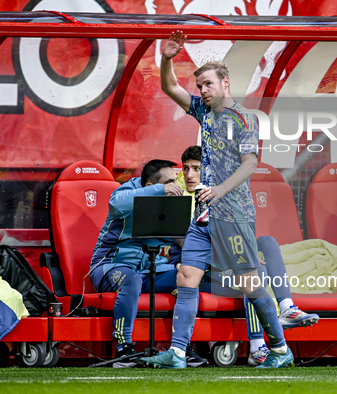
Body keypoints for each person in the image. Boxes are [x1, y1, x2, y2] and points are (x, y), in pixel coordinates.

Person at [141, 31, 293, 369]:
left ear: (225, 83)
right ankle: (178, 353)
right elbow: (169, 88)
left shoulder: (245, 119)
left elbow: (251, 162)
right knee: (186, 277)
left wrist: (221, 189)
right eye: (200, 87)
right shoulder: (203, 113)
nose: (203, 91)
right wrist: (167, 58)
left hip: (234, 214)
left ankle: (281, 349)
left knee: (251, 285)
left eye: (208, 84)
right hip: (204, 216)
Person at [177, 145, 319, 366]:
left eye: (196, 168)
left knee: (267, 243)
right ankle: (257, 347)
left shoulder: (218, 194)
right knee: (255, 271)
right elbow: (189, 243)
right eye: (185, 168)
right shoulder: (181, 196)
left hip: (225, 268)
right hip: (207, 272)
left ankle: (287, 306)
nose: (189, 174)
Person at [89, 159, 186, 368]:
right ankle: (124, 346)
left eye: (174, 181)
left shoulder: (173, 201)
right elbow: (116, 205)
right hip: (108, 267)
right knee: (131, 279)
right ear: (152, 186)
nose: (175, 186)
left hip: (152, 270)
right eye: (169, 182)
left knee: (187, 276)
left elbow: (181, 238)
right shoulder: (129, 190)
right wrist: (160, 190)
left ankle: (182, 348)